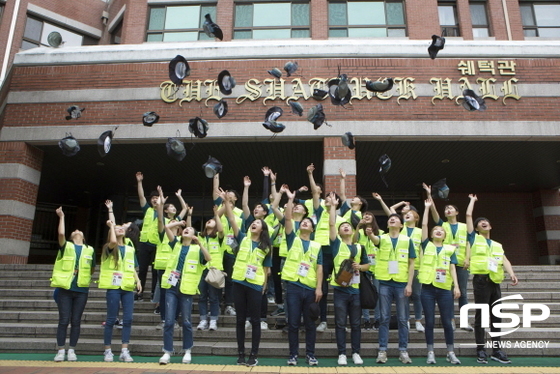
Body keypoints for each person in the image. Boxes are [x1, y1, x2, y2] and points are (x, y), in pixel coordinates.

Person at [465, 194, 519, 365]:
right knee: (481, 316)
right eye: (480, 222)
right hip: (480, 282)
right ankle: (481, 349)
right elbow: (468, 216)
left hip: (495, 282)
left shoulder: (496, 244)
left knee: (496, 316)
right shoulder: (474, 238)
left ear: (490, 226)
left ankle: (497, 350)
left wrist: (511, 273)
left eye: (485, 221)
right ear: (477, 228)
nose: (483, 222)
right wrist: (472, 201)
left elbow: (504, 260)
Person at [223, 189, 272, 367]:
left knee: (255, 320)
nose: (254, 223)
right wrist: (227, 202)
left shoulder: (266, 246)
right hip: (238, 282)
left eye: (258, 223)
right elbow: (231, 219)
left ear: (262, 229)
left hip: (255, 285)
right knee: (240, 319)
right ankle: (241, 353)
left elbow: (267, 269)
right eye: (253, 222)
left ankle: (254, 354)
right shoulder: (242, 238)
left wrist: (264, 286)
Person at [159, 219, 211, 365]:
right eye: (185, 229)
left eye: (190, 229)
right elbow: (166, 227)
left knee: (187, 321)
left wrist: (200, 243)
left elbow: (208, 258)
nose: (187, 229)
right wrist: (178, 224)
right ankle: (167, 352)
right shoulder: (175, 244)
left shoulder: (196, 249)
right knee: (169, 321)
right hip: (171, 287)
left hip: (186, 288)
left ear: (195, 235)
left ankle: (187, 350)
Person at [281, 187, 323, 366]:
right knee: (293, 323)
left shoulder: (317, 245)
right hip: (293, 286)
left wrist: (319, 287)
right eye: (303, 223)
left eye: (308, 223)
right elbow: (289, 219)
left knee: (310, 324)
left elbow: (319, 268)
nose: (304, 224)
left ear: (312, 229)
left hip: (310, 287)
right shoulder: (293, 239)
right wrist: (291, 199)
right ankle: (293, 355)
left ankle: (310, 354)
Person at [423, 182, 472, 331]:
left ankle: (464, 321)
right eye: (446, 209)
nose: (448, 210)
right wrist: (429, 194)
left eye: (450, 208)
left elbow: (470, 242)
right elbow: (433, 211)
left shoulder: (464, 226)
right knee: (448, 292)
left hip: (461, 263)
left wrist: (467, 258)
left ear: (457, 212)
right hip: (444, 263)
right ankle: (450, 319)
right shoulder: (442, 225)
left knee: (462, 291)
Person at [327, 192, 369, 366]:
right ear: (338, 232)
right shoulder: (336, 244)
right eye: (342, 226)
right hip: (340, 290)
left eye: (348, 226)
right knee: (340, 323)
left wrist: (360, 267)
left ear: (353, 231)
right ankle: (342, 353)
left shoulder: (359, 246)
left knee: (356, 324)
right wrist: (332, 207)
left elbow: (367, 265)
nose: (345, 227)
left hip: (356, 291)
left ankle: (356, 353)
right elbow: (331, 223)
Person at [419, 199, 461, 365]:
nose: (438, 231)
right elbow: (423, 226)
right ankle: (431, 352)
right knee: (429, 321)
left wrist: (456, 286)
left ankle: (450, 352)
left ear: (445, 235)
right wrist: (427, 208)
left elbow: (452, 269)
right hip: (427, 289)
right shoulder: (426, 245)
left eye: (441, 230)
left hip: (444, 289)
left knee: (447, 322)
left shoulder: (450, 249)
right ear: (430, 234)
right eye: (435, 230)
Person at [369, 213, 416, 364]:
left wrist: (409, 284)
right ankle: (382, 350)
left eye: (396, 219)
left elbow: (411, 264)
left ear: (401, 225)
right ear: (388, 225)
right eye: (390, 219)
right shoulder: (382, 238)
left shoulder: (407, 240)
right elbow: (375, 240)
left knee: (403, 319)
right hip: (385, 282)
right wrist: (370, 235)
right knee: (384, 318)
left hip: (402, 283)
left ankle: (403, 350)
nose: (392, 219)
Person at [51, 207, 95, 362]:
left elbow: (92, 268)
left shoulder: (90, 249)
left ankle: (72, 350)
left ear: (83, 237)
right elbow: (61, 234)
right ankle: (61, 350)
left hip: (81, 289)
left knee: (76, 320)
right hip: (65, 288)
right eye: (74, 231)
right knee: (63, 320)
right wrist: (62, 216)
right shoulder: (67, 246)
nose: (77, 230)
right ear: (71, 236)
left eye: (80, 231)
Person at [99, 218, 142, 362]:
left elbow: (133, 266)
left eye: (120, 228)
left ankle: (124, 350)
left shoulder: (130, 248)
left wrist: (138, 280)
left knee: (128, 319)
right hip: (113, 287)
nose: (119, 229)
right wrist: (111, 226)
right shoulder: (109, 247)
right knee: (111, 319)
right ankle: (108, 350)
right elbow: (113, 242)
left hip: (127, 286)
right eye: (116, 228)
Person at [197, 205, 224, 331]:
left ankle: (213, 320)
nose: (210, 220)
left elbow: (221, 229)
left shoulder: (218, 237)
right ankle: (203, 319)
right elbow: (189, 228)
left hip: (214, 270)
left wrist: (216, 215)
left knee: (213, 297)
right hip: (201, 269)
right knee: (202, 296)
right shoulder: (199, 237)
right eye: (208, 220)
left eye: (212, 220)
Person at [135, 172, 161, 301]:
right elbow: (141, 197)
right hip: (145, 243)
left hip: (157, 244)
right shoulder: (148, 210)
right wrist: (140, 182)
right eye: (152, 198)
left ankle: (153, 294)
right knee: (143, 269)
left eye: (157, 197)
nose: (154, 199)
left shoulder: (164, 212)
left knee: (156, 272)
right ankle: (139, 292)